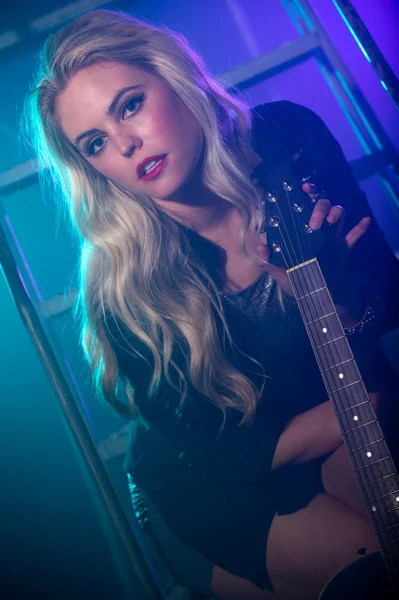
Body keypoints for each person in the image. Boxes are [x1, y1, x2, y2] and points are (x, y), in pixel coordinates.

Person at [25, 9, 399, 600]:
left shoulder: (287, 143)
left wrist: (331, 296)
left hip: (345, 405)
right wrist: (333, 419)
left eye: (129, 105)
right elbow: (209, 453)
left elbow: (387, 300)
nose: (124, 144)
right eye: (95, 143)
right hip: (218, 481)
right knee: (366, 581)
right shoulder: (123, 285)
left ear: (176, 79)